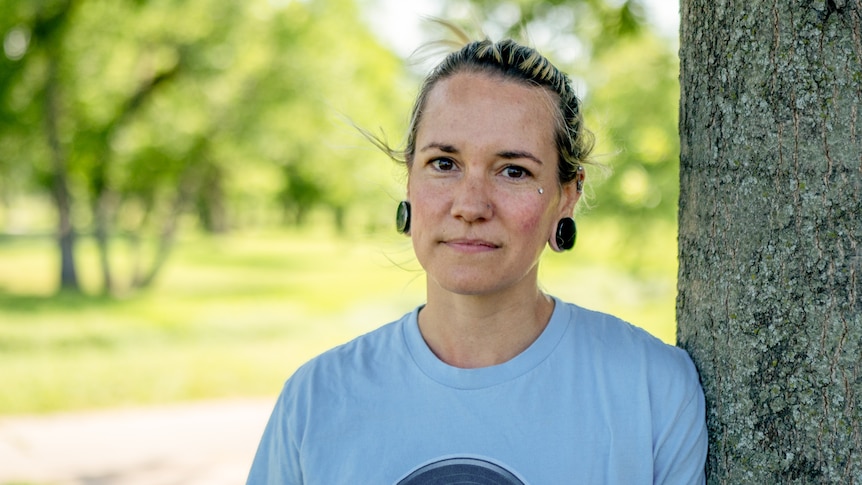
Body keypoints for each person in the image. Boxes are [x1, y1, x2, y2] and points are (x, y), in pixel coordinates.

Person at [247, 31, 708, 484]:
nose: (470, 206)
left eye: (513, 171)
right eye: (444, 164)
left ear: (567, 196)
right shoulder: (317, 400)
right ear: (409, 179)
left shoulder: (653, 391)